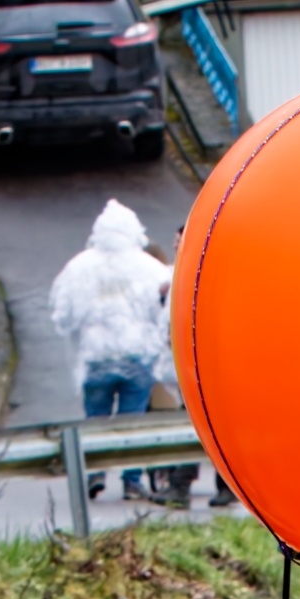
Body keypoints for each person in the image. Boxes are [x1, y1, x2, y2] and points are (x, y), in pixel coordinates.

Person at [47, 197, 197, 503]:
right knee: (133, 420)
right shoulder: (146, 266)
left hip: (95, 359)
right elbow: (168, 305)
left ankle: (94, 472)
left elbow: (63, 313)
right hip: (136, 357)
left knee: (96, 418)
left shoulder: (80, 266)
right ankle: (131, 480)